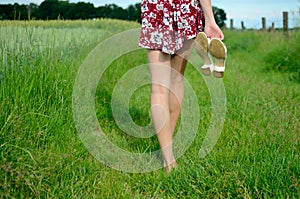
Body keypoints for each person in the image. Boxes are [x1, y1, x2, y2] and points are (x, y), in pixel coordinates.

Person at [139, 0, 226, 173]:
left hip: (157, 7)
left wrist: (209, 20)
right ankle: (168, 157)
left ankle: (167, 156)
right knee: (175, 81)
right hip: (186, 8)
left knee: (160, 87)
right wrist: (210, 19)